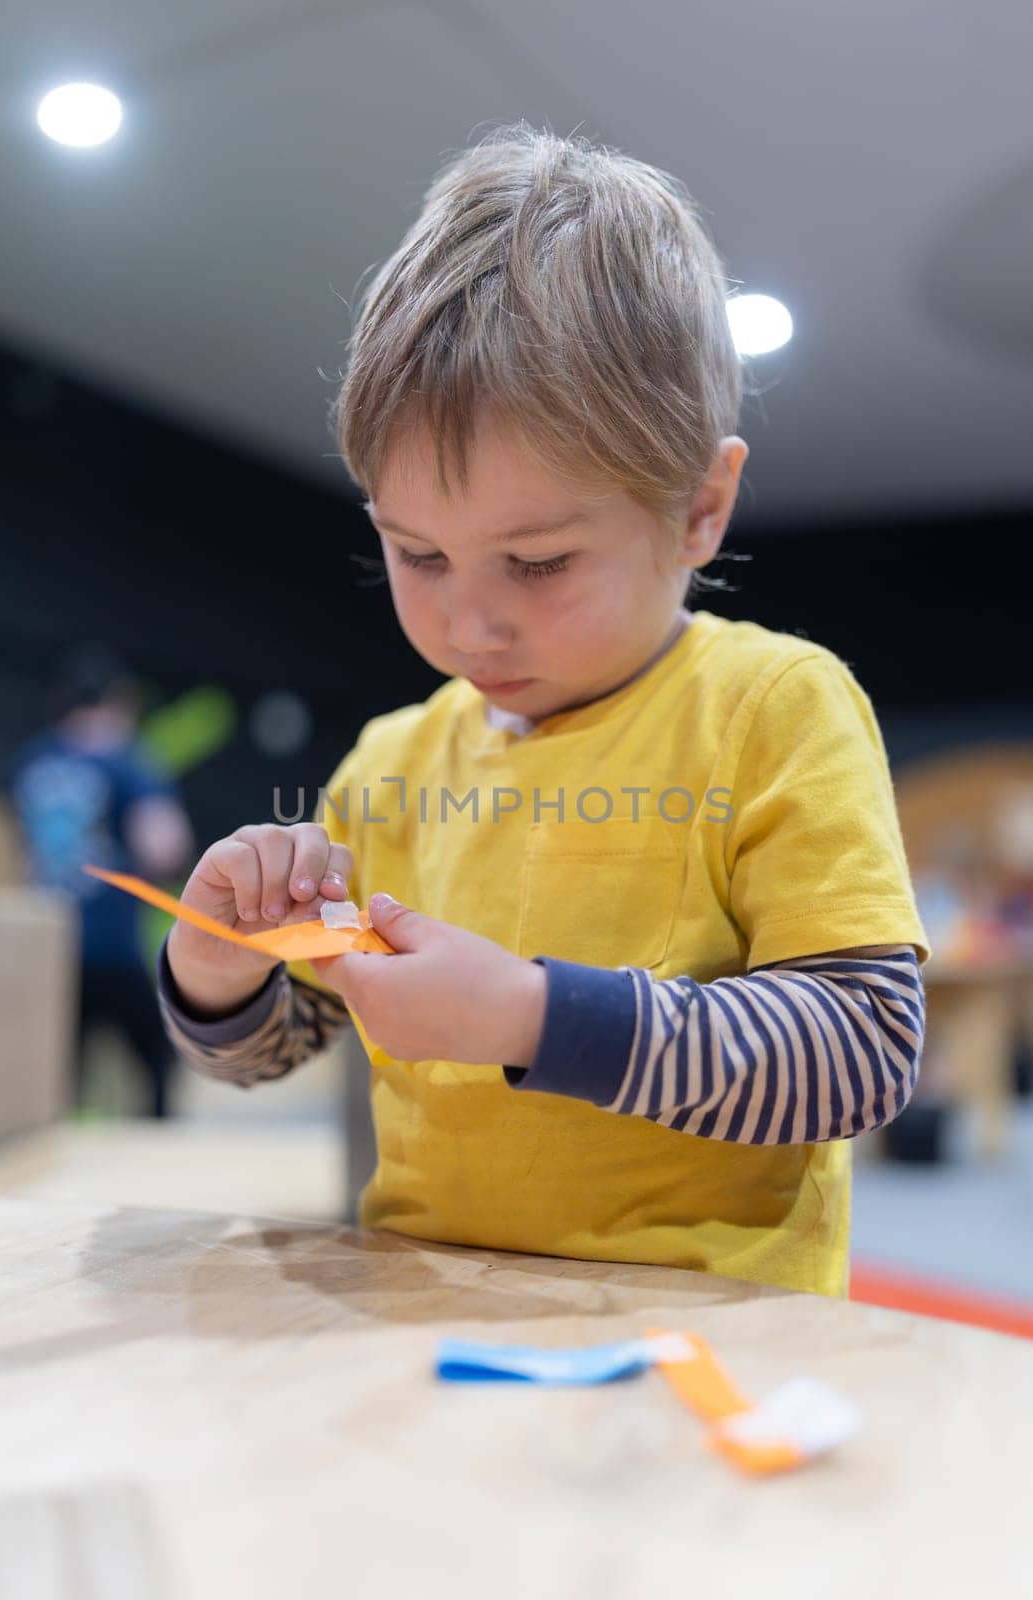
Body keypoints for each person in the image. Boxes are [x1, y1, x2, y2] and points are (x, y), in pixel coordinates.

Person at [155, 124, 930, 1296]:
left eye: (535, 563)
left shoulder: (770, 707)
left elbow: (860, 1053)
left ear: (697, 511)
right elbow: (277, 1052)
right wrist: (221, 970)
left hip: (708, 1327)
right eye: (417, 555)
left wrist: (528, 1015)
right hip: (420, 1306)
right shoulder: (390, 761)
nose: (469, 628)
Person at [11, 643, 194, 1117]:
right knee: (158, 1063)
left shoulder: (33, 762)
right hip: (109, 944)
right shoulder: (127, 762)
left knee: (53, 1079)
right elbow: (165, 845)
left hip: (48, 945)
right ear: (118, 702)